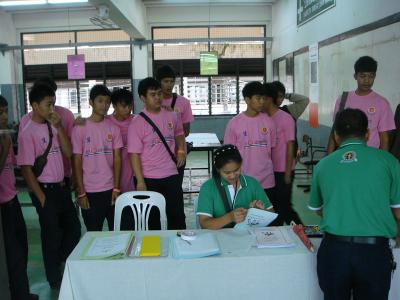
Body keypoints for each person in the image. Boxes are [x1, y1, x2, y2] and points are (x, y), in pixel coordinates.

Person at [309, 108, 400, 300]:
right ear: (367, 134)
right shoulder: (389, 162)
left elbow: (318, 209)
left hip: (334, 251)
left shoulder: (323, 165)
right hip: (374, 253)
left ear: (335, 135)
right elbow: (398, 212)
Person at [17, 84, 81, 290]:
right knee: (50, 235)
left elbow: (68, 152)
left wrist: (60, 127)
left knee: (73, 229)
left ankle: (62, 261)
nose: (52, 108)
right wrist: (41, 197)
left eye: (53, 104)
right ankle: (54, 278)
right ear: (35, 105)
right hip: (44, 190)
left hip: (61, 188)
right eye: (48, 105)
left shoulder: (52, 124)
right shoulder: (27, 132)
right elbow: (26, 169)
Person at [127, 77, 186, 230]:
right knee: (152, 219)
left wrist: (180, 150)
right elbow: (134, 154)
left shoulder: (172, 114)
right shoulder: (137, 123)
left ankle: (180, 246)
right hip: (149, 178)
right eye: (153, 94)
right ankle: (154, 252)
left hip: (171, 174)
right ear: (142, 98)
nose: (158, 98)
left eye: (159, 93)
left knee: (177, 216)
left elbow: (179, 133)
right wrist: (140, 181)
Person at [0, 96, 38, 299]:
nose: (5, 116)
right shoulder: (4, 141)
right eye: (0, 112)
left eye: (6, 110)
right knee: (11, 254)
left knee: (22, 248)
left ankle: (21, 291)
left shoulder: (4, 136)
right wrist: (5, 147)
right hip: (2, 208)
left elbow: (13, 168)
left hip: (13, 201)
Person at [72, 85, 122, 232]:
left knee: (116, 232)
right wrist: (81, 192)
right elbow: (76, 160)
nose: (104, 105)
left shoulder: (114, 128)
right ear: (91, 102)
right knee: (93, 233)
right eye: (100, 101)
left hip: (110, 189)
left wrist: (117, 187)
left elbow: (118, 159)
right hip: (89, 191)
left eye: (107, 101)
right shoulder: (79, 128)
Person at [327, 56, 395, 153]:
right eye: (362, 76)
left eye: (371, 76)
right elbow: (334, 131)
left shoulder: (382, 103)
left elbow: (385, 139)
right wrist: (329, 159)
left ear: (375, 76)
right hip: (344, 157)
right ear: (355, 76)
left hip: (370, 158)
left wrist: (384, 163)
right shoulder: (343, 100)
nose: (367, 80)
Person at [196, 144, 273, 229]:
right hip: (219, 239)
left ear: (241, 165)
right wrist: (229, 217)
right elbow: (204, 223)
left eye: (236, 170)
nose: (232, 176)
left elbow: (271, 212)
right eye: (227, 173)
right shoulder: (208, 187)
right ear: (218, 170)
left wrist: (260, 212)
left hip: (247, 237)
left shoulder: (252, 183)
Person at [224, 81, 276, 200]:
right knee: (245, 215)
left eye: (263, 98)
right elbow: (229, 155)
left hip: (267, 179)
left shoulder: (269, 122)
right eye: (258, 98)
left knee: (267, 215)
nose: (262, 102)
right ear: (247, 100)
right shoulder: (234, 123)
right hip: (243, 179)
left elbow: (271, 148)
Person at [19, 77, 75, 188]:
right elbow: (25, 163)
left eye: (52, 94)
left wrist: (75, 175)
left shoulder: (66, 115)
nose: (51, 108)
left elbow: (70, 150)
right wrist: (40, 196)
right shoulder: (26, 121)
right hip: (41, 181)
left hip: (64, 175)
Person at [263, 83, 302, 225]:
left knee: (285, 207)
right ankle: (277, 236)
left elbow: (290, 145)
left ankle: (309, 233)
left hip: (283, 170)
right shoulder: (263, 118)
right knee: (275, 206)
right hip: (268, 171)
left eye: (263, 98)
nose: (261, 101)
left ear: (269, 99)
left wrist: (287, 173)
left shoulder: (286, 118)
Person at [156, 65, 194, 187]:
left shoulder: (184, 102)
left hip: (178, 153)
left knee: (175, 187)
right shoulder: (153, 102)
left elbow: (186, 131)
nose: (169, 85)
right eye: (166, 81)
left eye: (172, 81)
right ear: (158, 82)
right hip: (157, 154)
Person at [108, 88, 135, 193]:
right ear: (114, 106)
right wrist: (80, 121)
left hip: (133, 176)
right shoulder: (106, 122)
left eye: (130, 106)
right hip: (112, 178)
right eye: (124, 106)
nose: (128, 110)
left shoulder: (137, 121)